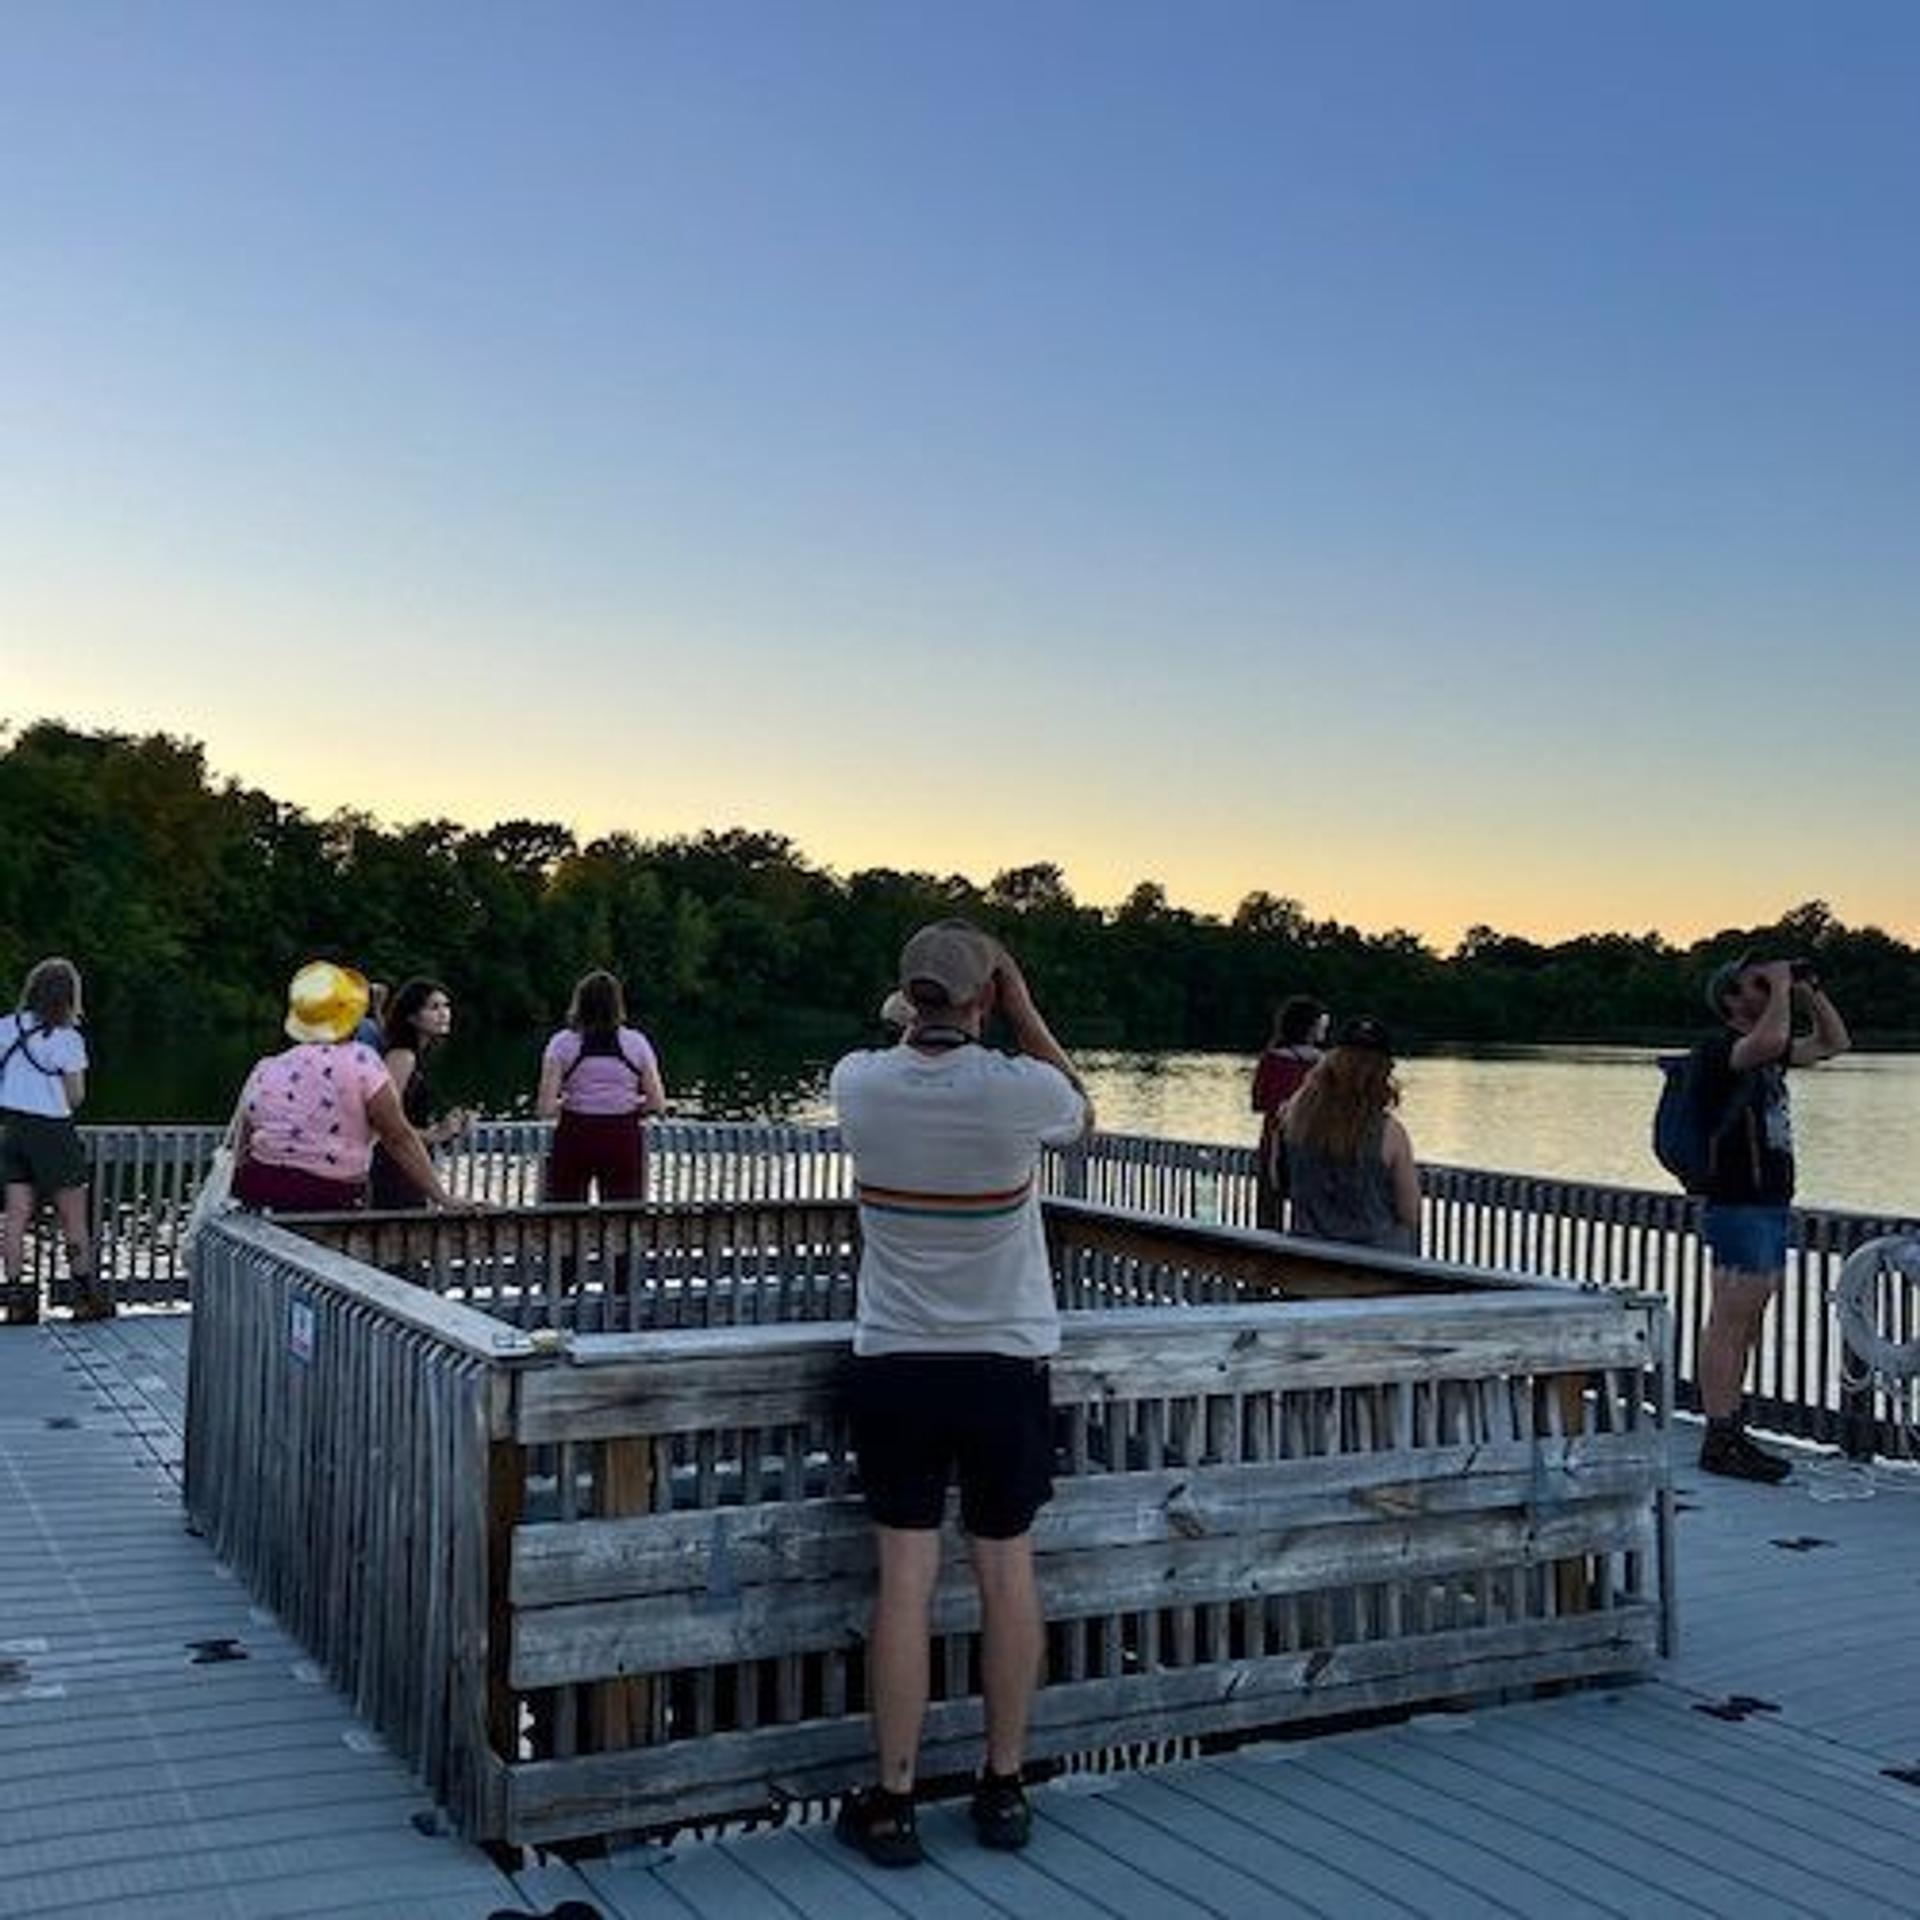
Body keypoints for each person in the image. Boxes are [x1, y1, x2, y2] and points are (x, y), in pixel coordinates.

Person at [829, 921, 1091, 1868]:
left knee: (904, 1580)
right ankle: (1003, 1785)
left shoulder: (857, 1082)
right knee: (1005, 1573)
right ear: (986, 1000)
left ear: (908, 998)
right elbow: (1081, 1113)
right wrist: (1020, 1010)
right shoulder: (1018, 1091)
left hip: (896, 1358)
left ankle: (894, 1800)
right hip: (1003, 1361)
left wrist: (935, 1007)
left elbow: (907, 1035)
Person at [1692, 955, 1850, 1482]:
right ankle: (1719, 1436)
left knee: (1747, 1323)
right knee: (1729, 1322)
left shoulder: (1768, 1058)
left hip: (1766, 1202)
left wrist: (1809, 991)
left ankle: (1732, 1429)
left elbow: (1833, 1043)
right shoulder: (1720, 1050)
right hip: (1738, 1202)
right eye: (1750, 985)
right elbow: (1766, 1040)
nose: (1763, 989)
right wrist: (1781, 989)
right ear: (1731, 1002)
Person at [232, 961, 461, 1212]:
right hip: (330, 1196)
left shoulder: (265, 1068)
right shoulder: (361, 1060)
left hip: (257, 1193)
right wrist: (444, 1198)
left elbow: (242, 1146)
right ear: (351, 1016)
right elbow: (397, 1136)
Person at [1, 957, 110, 1324]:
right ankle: (84, 1298)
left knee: (15, 1219)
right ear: (69, 997)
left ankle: (16, 1299)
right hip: (53, 1133)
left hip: (11, 1130)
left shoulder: (5, 1027)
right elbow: (75, 1096)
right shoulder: (67, 1039)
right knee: (73, 1219)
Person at [1278, 1015, 1421, 1255]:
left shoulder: (1294, 1121)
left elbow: (1280, 1183)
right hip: (1379, 1269)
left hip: (1308, 1263)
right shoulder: (1391, 1133)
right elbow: (1410, 1213)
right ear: (1384, 1072)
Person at [535, 971, 667, 1203]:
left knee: (565, 1217)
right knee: (623, 1218)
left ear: (579, 1002)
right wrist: (629, 1103)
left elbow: (544, 1108)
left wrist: (570, 1103)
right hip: (623, 1136)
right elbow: (658, 1103)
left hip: (575, 1135)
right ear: (618, 1005)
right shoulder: (636, 1043)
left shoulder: (562, 1043)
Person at [368, 978, 474, 1211]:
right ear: (412, 1017)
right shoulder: (402, 1056)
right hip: (395, 1167)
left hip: (409, 1164)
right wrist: (436, 1134)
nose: (444, 1013)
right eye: (433, 1008)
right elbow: (384, 1125)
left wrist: (449, 1126)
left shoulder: (415, 1055)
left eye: (446, 1006)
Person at [1250, 995, 1328, 1228]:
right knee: (1311, 1215)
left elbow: (1259, 1102)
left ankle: (1265, 1260)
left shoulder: (1272, 1060)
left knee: (1268, 1215)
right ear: (1311, 1027)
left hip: (1274, 1143)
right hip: (1314, 1145)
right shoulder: (1326, 1065)